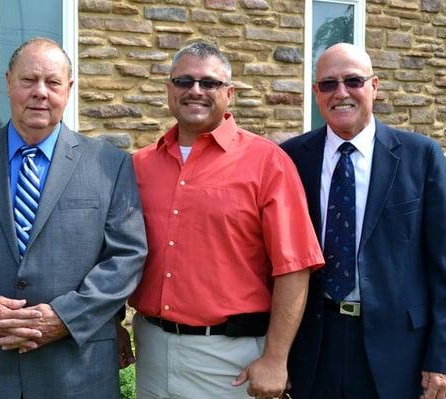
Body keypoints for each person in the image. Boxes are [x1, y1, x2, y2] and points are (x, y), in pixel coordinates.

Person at [0, 37, 147, 399]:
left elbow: (126, 256)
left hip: (77, 371)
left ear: (68, 89)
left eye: (52, 82)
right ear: (8, 81)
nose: (40, 92)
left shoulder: (110, 164)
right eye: (28, 80)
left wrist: (64, 317)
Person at [118, 42, 324, 399]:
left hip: (231, 360)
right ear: (169, 89)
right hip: (152, 348)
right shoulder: (140, 165)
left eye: (209, 83)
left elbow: (294, 267)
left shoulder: (267, 163)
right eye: (184, 81)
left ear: (229, 93)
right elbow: (119, 254)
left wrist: (276, 358)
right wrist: (113, 324)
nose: (195, 90)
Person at [281, 43, 446, 399]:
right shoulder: (291, 157)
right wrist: (275, 353)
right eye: (329, 84)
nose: (342, 92)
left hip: (398, 348)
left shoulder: (420, 156)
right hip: (314, 344)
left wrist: (443, 358)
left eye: (353, 81)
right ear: (316, 93)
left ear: (374, 86)